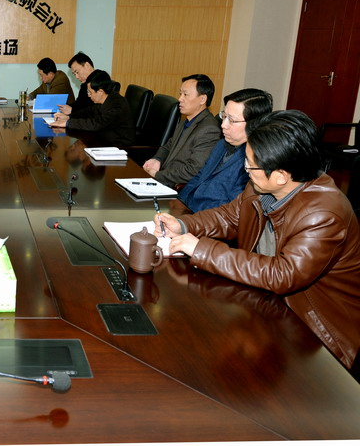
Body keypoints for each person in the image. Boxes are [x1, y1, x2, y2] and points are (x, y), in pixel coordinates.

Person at [154, 110, 360, 371]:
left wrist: (201, 249)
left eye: (251, 164)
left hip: (313, 334)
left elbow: (282, 274)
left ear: (281, 175)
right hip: (265, 302)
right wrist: (184, 224)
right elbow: (230, 216)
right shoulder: (263, 183)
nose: (246, 170)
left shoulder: (324, 214)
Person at [179, 88, 273, 212]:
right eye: (224, 116)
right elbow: (199, 177)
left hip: (209, 218)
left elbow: (231, 208)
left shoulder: (254, 162)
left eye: (232, 120)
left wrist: (189, 217)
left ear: (254, 124)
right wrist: (177, 204)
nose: (223, 125)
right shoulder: (221, 144)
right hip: (187, 210)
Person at [142, 74, 221, 187]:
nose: (180, 99)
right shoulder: (186, 120)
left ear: (202, 99)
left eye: (185, 94)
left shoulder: (209, 130)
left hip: (176, 187)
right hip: (165, 178)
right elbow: (169, 145)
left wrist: (158, 175)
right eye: (180, 94)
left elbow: (193, 170)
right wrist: (157, 159)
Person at [49, 70, 135, 146]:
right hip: (103, 139)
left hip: (118, 147)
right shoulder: (105, 99)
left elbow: (97, 123)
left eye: (90, 92)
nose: (88, 95)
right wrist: (69, 117)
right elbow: (88, 111)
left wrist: (68, 123)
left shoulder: (117, 105)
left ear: (100, 91)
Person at [57, 51, 95, 116]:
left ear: (87, 66)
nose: (77, 77)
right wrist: (64, 107)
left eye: (77, 72)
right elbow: (79, 104)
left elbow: (94, 110)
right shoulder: (85, 85)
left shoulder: (99, 83)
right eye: (74, 74)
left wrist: (72, 110)